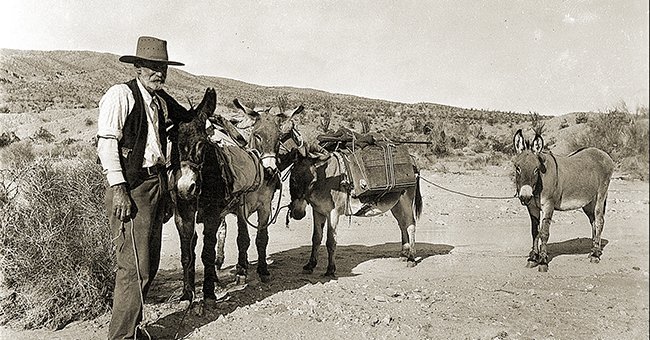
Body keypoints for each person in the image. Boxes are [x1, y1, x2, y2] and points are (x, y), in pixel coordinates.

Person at [97, 36, 193, 339]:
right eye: (152, 67)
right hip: (131, 188)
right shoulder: (120, 95)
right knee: (132, 268)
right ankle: (122, 337)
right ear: (138, 68)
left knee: (147, 265)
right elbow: (107, 144)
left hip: (154, 186)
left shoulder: (159, 101)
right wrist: (120, 189)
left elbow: (186, 122)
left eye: (162, 68)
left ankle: (133, 329)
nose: (159, 73)